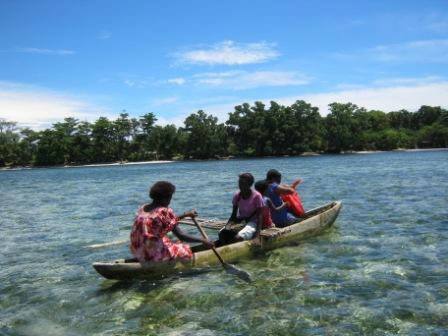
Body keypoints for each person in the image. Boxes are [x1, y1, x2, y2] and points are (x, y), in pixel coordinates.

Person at [130, 181, 214, 263]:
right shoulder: (164, 211)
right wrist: (203, 240)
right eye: (170, 197)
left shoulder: (143, 208)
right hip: (153, 254)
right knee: (184, 247)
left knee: (166, 239)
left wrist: (184, 215)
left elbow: (161, 220)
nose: (170, 201)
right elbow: (181, 236)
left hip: (138, 251)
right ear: (166, 198)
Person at [226, 173, 264, 241]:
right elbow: (233, 215)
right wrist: (228, 226)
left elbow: (260, 217)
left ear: (250, 184)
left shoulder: (257, 196)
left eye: (243, 183)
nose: (240, 185)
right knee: (222, 234)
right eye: (239, 183)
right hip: (241, 220)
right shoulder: (237, 195)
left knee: (238, 238)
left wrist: (257, 236)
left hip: (253, 222)